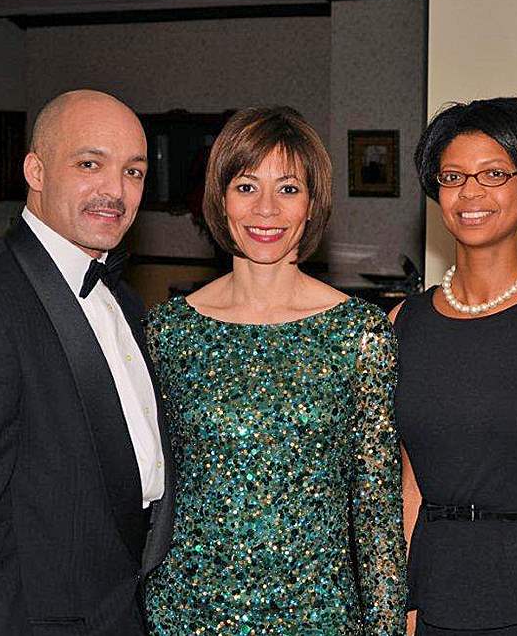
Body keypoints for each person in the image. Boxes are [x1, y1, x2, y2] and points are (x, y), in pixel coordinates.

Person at [0, 89, 173, 635]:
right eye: (90, 164)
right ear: (36, 171)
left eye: (134, 171)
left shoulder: (123, 299)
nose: (115, 190)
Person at [142, 106, 407, 634]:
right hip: (187, 614)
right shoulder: (168, 332)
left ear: (312, 204)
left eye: (288, 189)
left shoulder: (360, 334)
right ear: (220, 198)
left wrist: (386, 625)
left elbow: (376, 510)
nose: (266, 209)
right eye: (246, 187)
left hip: (319, 615)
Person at [393, 97, 517, 635]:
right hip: (436, 598)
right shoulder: (402, 322)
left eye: (494, 174)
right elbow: (408, 481)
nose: (471, 192)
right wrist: (404, 607)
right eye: (453, 176)